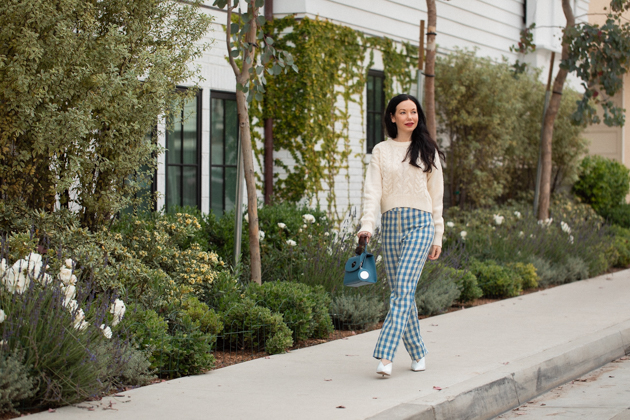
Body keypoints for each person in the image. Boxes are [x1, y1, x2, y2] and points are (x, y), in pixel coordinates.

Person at [358, 93, 444, 377]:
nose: (410, 116)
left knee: (403, 289)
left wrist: (437, 235)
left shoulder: (427, 149)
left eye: (414, 111)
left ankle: (385, 356)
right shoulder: (381, 150)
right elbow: (372, 191)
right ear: (392, 117)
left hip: (421, 224)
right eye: (403, 112)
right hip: (391, 224)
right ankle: (418, 352)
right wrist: (366, 225)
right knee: (400, 293)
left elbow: (437, 197)